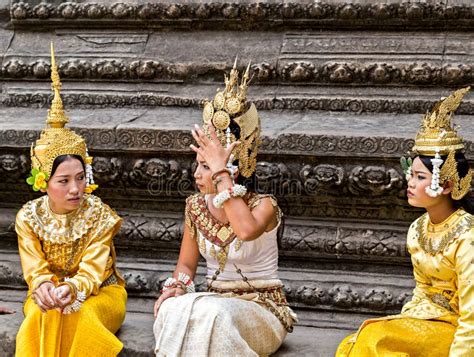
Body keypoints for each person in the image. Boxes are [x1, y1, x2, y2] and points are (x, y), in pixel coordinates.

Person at [153, 61, 297, 356]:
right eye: (198, 164)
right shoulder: (194, 206)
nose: (197, 174)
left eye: (206, 166)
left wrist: (220, 175)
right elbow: (186, 266)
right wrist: (178, 286)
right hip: (211, 303)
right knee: (170, 309)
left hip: (261, 309)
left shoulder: (265, 206)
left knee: (214, 315)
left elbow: (245, 230)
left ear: (232, 169)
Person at [336, 86, 473, 356]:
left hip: (458, 330)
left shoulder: (468, 236)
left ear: (445, 185)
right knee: (354, 343)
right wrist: (405, 324)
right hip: (429, 322)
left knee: (375, 340)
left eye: (420, 177)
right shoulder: (417, 229)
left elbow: (472, 315)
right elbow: (422, 291)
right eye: (411, 174)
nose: (409, 182)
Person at [15, 44, 127, 357]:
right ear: (43, 183)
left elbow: (92, 272)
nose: (75, 188)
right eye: (63, 181)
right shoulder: (28, 218)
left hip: (100, 295)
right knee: (41, 315)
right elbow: (34, 270)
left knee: (82, 315)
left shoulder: (100, 215)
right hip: (47, 296)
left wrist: (71, 289)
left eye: (80, 177)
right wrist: (45, 288)